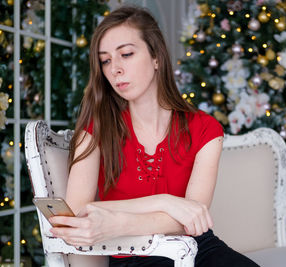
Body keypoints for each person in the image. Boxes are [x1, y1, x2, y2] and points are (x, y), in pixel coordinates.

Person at [49, 5, 259, 267]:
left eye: (126, 54)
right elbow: (77, 215)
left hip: (197, 247)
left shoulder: (206, 130)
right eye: (105, 60)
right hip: (134, 256)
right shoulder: (95, 130)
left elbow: (191, 220)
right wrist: (167, 203)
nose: (115, 68)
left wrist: (116, 218)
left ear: (156, 57)